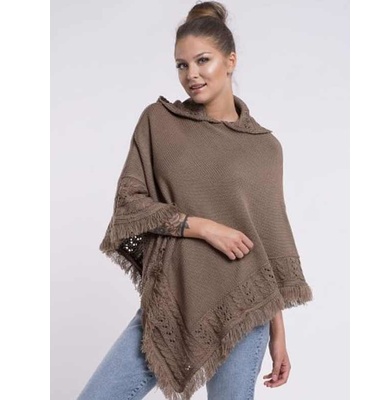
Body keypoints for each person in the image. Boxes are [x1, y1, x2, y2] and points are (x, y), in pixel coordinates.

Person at [77, 2, 313, 399]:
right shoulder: (159, 122)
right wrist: (201, 227)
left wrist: (278, 334)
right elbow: (129, 202)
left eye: (203, 60)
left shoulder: (265, 147)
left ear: (230, 60)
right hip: (170, 303)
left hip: (243, 308)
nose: (192, 74)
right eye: (181, 65)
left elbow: (268, 246)